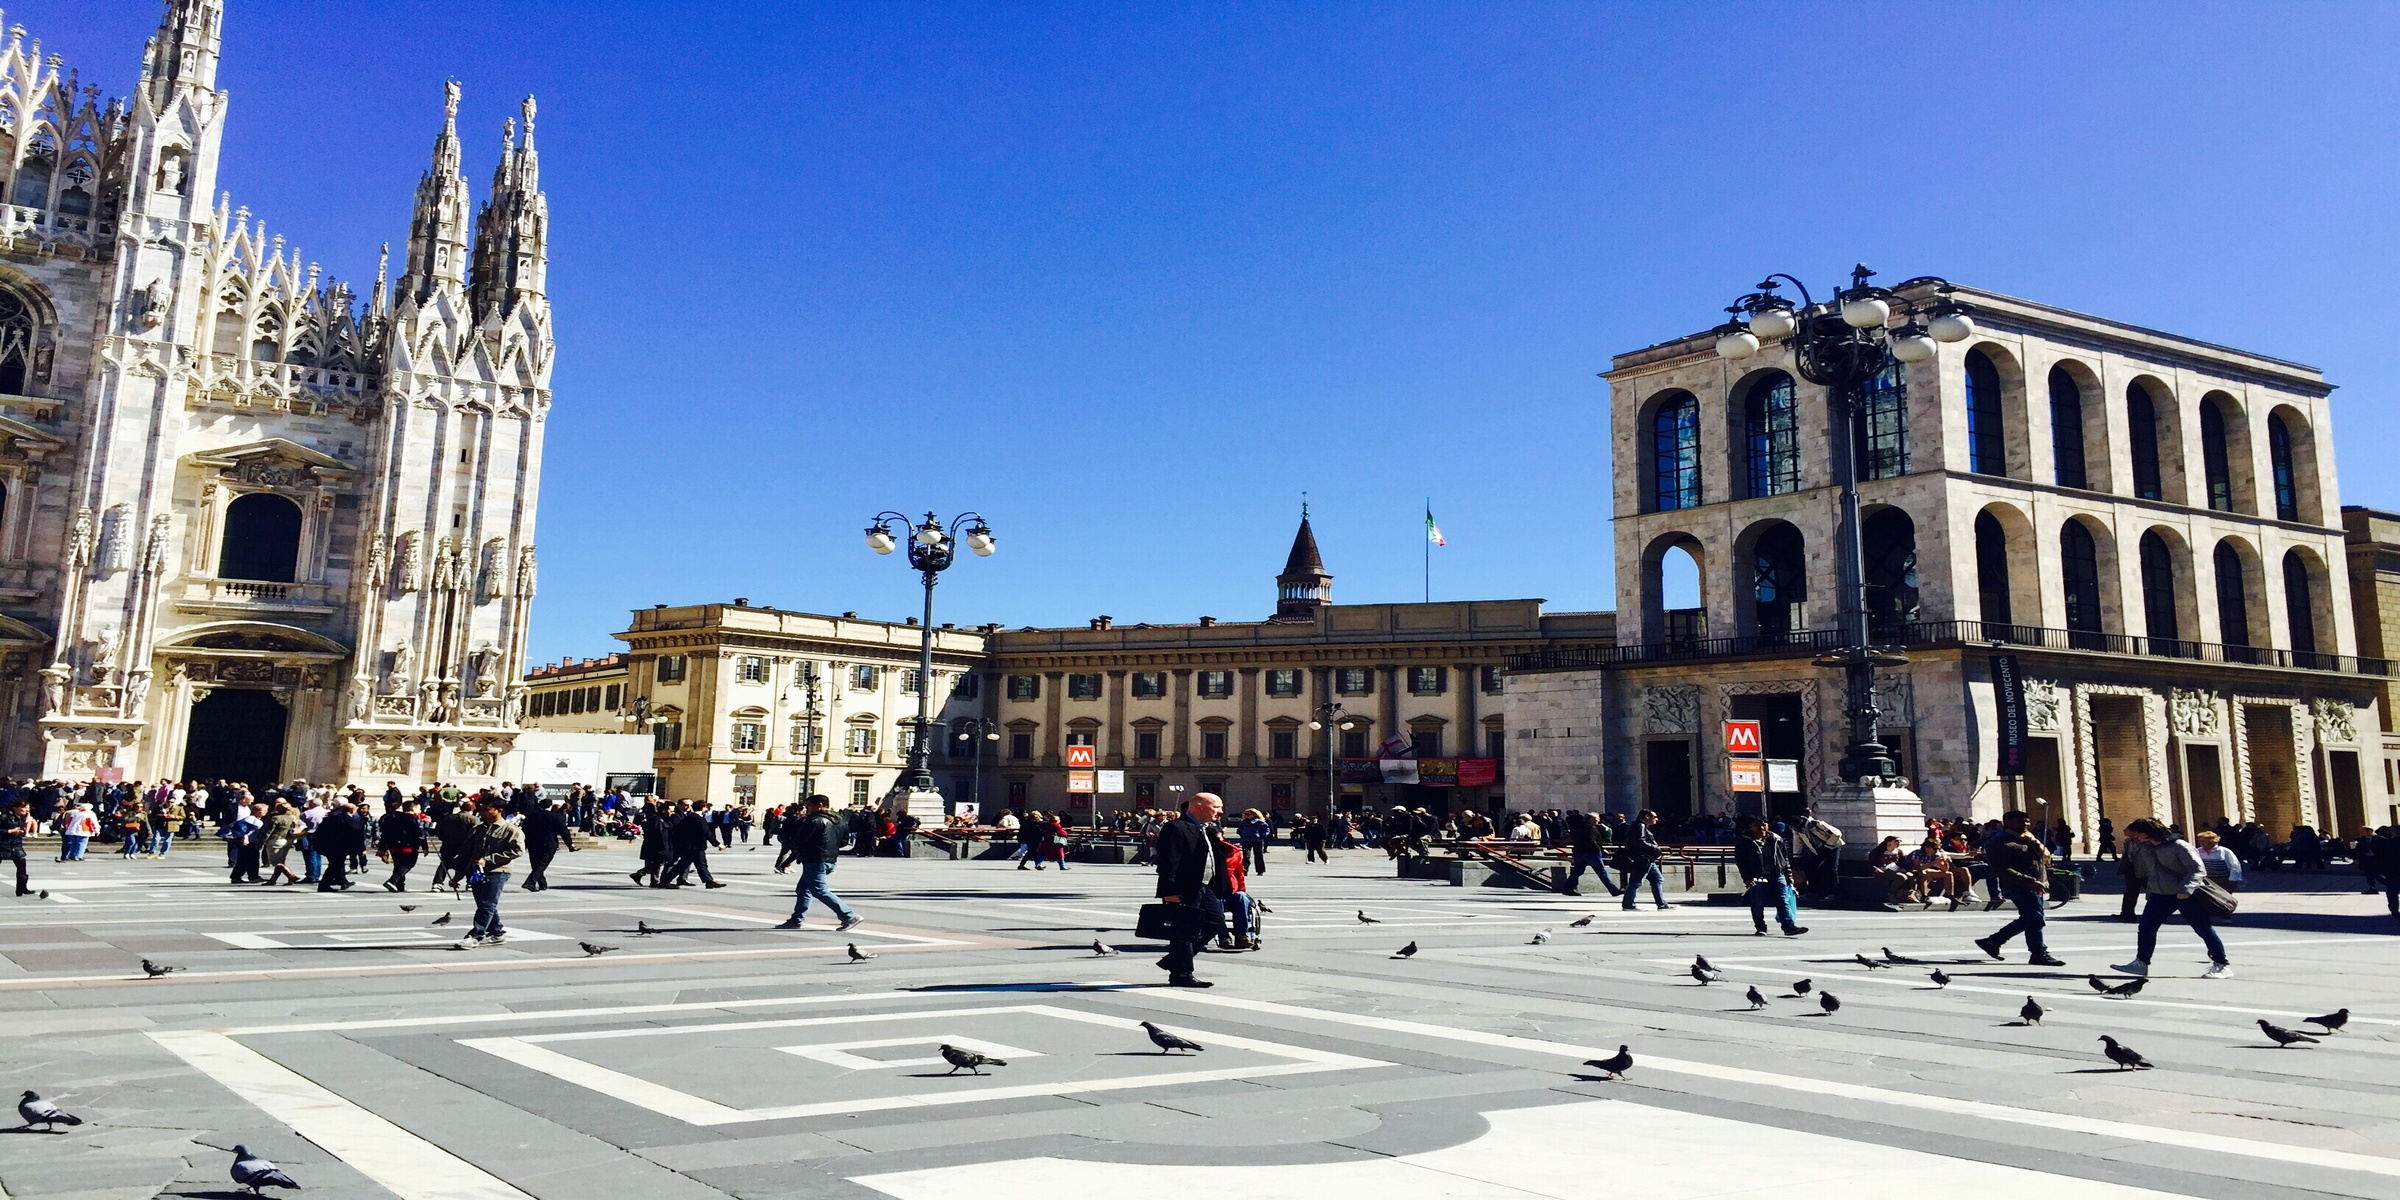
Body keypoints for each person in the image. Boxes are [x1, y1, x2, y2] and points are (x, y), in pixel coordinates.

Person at [2112, 818, 2231, 980]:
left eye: (2137, 833)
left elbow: (2197, 869)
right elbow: (2150, 871)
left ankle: (2221, 965)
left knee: (2203, 928)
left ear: (2147, 833)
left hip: (2184, 894)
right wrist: (2150, 890)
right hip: (2160, 894)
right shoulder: (2145, 846)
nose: (2135, 836)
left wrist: (2187, 889)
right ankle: (2141, 964)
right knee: (2146, 927)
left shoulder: (2179, 846)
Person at [1974, 810, 2064, 965]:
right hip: (2018, 886)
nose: (2025, 825)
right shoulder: (1998, 842)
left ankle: (1994, 942)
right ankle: (2037, 952)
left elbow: (2043, 859)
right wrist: (2028, 880)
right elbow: (2000, 869)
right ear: (2007, 823)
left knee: (2031, 918)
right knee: (2035, 918)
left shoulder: (2029, 839)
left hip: (2037, 885)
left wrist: (2036, 844)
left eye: (2027, 821)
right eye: (2019, 822)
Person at [1154, 792, 1224, 987]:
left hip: (1204, 885)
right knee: (1184, 930)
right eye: (1216, 807)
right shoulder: (1176, 828)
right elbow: (1169, 861)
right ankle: (1182, 974)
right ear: (1198, 806)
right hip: (1183, 887)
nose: (1221, 812)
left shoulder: (1207, 829)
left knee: (1215, 922)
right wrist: (1170, 890)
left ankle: (1175, 961)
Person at [776, 795, 862, 931]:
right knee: (803, 889)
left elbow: (799, 840)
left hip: (815, 859)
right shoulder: (839, 820)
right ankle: (796, 919)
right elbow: (844, 841)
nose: (807, 809)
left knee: (819, 890)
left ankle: (849, 915)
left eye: (809, 805)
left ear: (819, 805)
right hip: (829, 859)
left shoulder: (814, 820)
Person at [456, 803, 522, 947]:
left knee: (487, 903)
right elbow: (468, 852)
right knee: (484, 903)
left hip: (498, 871)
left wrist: (488, 860)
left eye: (487, 809)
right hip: (476, 871)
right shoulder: (478, 829)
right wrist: (458, 875)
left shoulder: (510, 830)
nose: (483, 812)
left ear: (499, 810)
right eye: (482, 809)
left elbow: (517, 850)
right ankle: (497, 932)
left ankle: (476, 935)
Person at [1734, 815, 1807, 936]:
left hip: (1777, 873)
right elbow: (1741, 861)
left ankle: (1788, 927)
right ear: (1750, 827)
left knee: (1783, 900)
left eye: (1764, 825)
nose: (1761, 828)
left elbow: (1784, 859)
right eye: (1757, 825)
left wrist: (1789, 876)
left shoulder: (1776, 839)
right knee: (1757, 902)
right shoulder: (1744, 841)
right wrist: (1746, 877)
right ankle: (1760, 927)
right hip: (1756, 876)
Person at [1210, 822, 1258, 951]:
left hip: (1232, 889)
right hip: (1213, 891)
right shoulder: (1204, 852)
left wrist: (1242, 889)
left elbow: (1239, 874)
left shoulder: (1233, 852)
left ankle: (1241, 934)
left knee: (1241, 897)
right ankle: (1223, 935)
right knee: (1216, 901)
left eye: (1219, 838)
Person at [1615, 809, 1671, 910]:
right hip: (1642, 858)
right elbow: (1639, 841)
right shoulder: (1640, 826)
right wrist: (1655, 848)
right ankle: (1628, 904)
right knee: (1635, 881)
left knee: (1657, 879)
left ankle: (1662, 904)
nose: (1656, 820)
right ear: (1647, 816)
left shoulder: (1637, 825)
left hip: (1646, 858)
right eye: (1654, 817)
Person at [1562, 811, 1621, 898]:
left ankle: (1567, 888)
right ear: (1591, 819)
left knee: (1577, 872)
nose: (1599, 820)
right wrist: (1600, 849)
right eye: (1597, 818)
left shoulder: (1577, 827)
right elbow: (1593, 840)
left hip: (1578, 852)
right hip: (1591, 853)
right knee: (1602, 872)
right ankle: (1613, 890)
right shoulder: (1591, 828)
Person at [520, 798, 575, 891]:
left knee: (536, 864)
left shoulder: (531, 816)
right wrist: (569, 844)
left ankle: (542, 883)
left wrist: (524, 843)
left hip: (532, 843)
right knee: (542, 864)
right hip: (549, 843)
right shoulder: (556, 816)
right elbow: (564, 831)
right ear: (551, 805)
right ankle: (530, 882)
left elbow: (524, 830)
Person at [667, 800, 726, 888]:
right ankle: (665, 880)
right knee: (683, 865)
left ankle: (708, 881)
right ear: (703, 808)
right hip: (696, 847)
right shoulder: (699, 819)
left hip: (689, 846)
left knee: (699, 865)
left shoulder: (688, 818)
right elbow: (706, 832)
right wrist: (718, 844)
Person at [313, 800, 367, 891]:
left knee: (336, 865)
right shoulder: (351, 821)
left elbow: (319, 832)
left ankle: (341, 882)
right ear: (352, 811)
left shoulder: (331, 818)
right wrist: (361, 849)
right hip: (341, 847)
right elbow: (358, 835)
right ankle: (324, 885)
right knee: (335, 865)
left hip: (328, 846)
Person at [378, 799, 426, 891]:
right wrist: (424, 847)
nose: (420, 811)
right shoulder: (414, 819)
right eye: (418, 809)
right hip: (408, 846)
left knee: (398, 865)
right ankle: (393, 881)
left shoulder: (392, 818)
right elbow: (420, 834)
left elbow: (385, 833)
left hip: (393, 845)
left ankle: (400, 885)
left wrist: (382, 847)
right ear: (413, 809)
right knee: (408, 864)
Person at [226, 802, 264, 883]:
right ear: (258, 811)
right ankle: (253, 877)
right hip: (248, 843)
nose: (266, 812)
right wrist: (245, 838)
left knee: (243, 860)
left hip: (251, 842)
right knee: (252, 860)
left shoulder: (255, 819)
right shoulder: (251, 819)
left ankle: (236, 877)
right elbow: (244, 829)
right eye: (264, 810)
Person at [0, 800, 31, 896]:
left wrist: (22, 829)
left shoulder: (21, 817)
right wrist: (9, 831)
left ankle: (21, 888)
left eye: (27, 808)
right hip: (2, 845)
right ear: (15, 808)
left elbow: (21, 829)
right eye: (23, 807)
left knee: (22, 866)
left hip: (16, 845)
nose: (26, 810)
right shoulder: (5, 817)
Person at [1239, 808, 1271, 876]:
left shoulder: (1260, 822)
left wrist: (1261, 836)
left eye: (1249, 814)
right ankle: (1245, 870)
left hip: (1257, 841)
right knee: (1246, 855)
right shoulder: (1244, 822)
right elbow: (1240, 829)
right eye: (1245, 814)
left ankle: (1260, 870)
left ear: (1254, 815)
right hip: (1246, 840)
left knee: (1258, 855)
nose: (1247, 815)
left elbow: (1267, 830)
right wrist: (1241, 834)